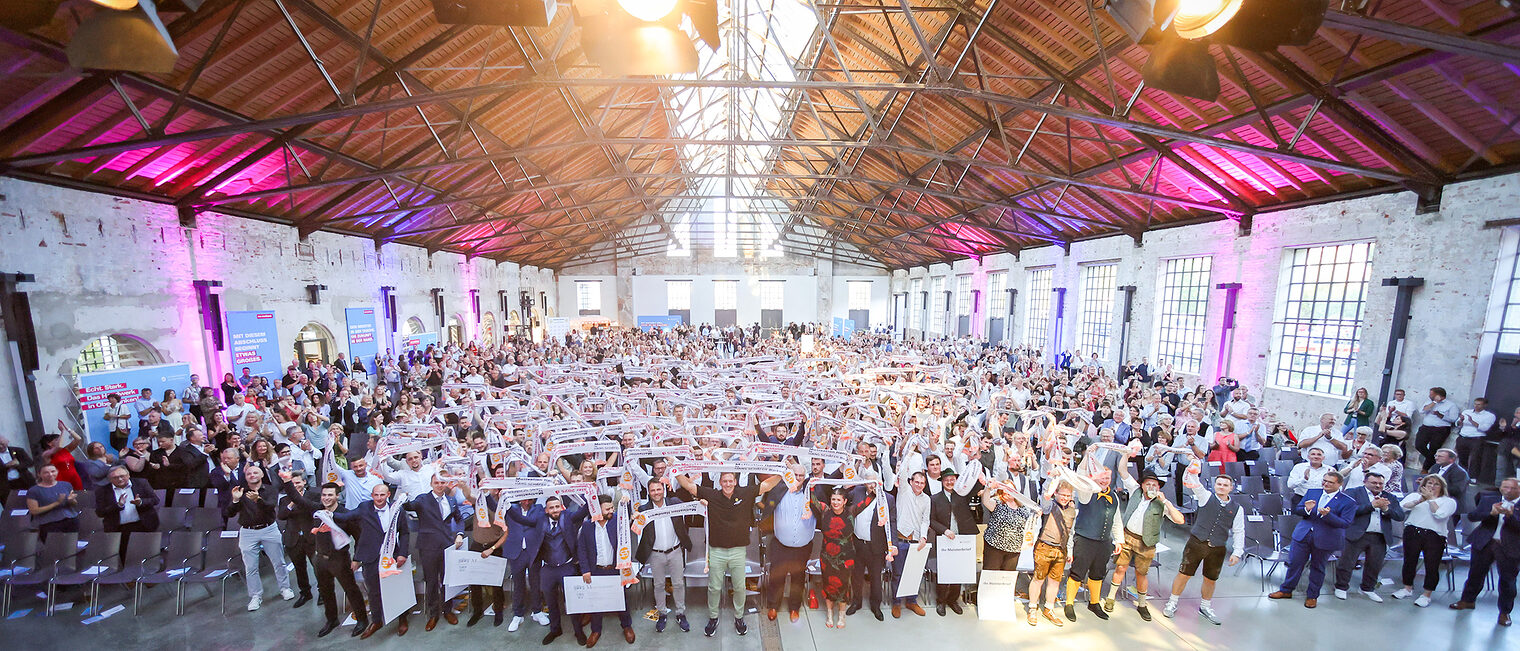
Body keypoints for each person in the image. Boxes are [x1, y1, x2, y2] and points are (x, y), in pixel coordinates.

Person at [674, 468, 783, 637]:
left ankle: (739, 617)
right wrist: (675, 470)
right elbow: (689, 486)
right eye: (724, 481)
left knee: (739, 587)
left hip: (738, 551)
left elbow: (767, 485)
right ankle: (713, 617)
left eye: (730, 481)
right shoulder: (711, 495)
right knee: (714, 588)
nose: (728, 484)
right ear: (720, 482)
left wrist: (782, 473)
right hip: (716, 551)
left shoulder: (745, 493)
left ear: (735, 481)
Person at [281, 478, 368, 637]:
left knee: (351, 590)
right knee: (326, 591)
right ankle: (331, 620)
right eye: (324, 495)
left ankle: (362, 619)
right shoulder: (317, 510)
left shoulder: (346, 514)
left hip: (340, 560)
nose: (326, 498)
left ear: (337, 496)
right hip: (320, 559)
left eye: (330, 495)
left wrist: (357, 559)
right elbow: (298, 499)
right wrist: (287, 481)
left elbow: (360, 538)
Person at [1164, 475, 1245, 624]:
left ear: (1231, 488)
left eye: (1225, 485)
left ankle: (1205, 606)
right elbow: (1194, 482)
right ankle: (1172, 602)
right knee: (1184, 574)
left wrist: (1237, 552)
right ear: (1214, 485)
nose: (1221, 487)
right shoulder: (1205, 496)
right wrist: (1194, 466)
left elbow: (1239, 531)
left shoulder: (1237, 509)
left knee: (1210, 579)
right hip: (1196, 543)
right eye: (1219, 484)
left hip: (1217, 547)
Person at [1270, 471, 1356, 608]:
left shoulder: (1348, 502)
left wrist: (1328, 515)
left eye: (1330, 482)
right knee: (1294, 563)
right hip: (1303, 534)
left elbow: (1345, 523)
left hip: (1325, 538)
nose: (1326, 484)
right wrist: (1307, 509)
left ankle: (1312, 596)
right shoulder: (1313, 492)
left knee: (1318, 567)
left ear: (1340, 484)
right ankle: (1286, 590)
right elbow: (1298, 510)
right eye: (1324, 480)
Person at [335, 482, 411, 639]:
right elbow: (346, 517)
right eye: (376, 495)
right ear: (372, 496)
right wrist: (328, 514)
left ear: (388, 495)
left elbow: (404, 533)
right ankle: (376, 621)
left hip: (392, 556)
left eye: (382, 495)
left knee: (397, 589)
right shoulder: (364, 508)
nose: (379, 498)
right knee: (373, 592)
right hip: (370, 557)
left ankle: (402, 619)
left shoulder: (397, 509)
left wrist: (402, 553)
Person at [1105, 471, 1183, 620]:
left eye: (1154, 485)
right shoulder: (1135, 492)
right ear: (1142, 485)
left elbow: (1180, 520)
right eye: (1148, 484)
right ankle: (1110, 598)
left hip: (1146, 543)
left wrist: (1166, 501)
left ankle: (1142, 604)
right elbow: (1122, 470)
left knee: (1141, 573)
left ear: (1158, 488)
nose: (1151, 487)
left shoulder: (1162, 503)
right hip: (1127, 537)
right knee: (1120, 567)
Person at [404, 474, 474, 631]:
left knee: (447, 580)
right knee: (431, 581)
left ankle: (447, 610)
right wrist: (404, 498)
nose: (439, 485)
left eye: (442, 482)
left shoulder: (451, 500)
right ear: (431, 484)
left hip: (447, 545)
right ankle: (433, 614)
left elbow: (459, 519)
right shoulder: (422, 499)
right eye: (436, 482)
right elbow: (409, 506)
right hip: (428, 547)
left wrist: (460, 534)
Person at [518, 495, 589, 646]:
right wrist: (504, 502)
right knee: (551, 603)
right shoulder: (540, 520)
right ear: (546, 510)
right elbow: (520, 519)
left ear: (562, 507)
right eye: (551, 507)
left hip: (567, 567)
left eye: (557, 506)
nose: (555, 510)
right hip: (548, 569)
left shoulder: (568, 517)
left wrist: (592, 493)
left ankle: (578, 631)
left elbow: (584, 511)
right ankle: (555, 629)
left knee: (572, 602)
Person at [1449, 477, 1520, 626]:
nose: (1507, 491)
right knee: (1475, 573)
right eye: (1504, 487)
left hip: (1510, 547)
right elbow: (1472, 516)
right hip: (1485, 541)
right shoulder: (1490, 498)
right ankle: (1467, 600)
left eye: (1512, 488)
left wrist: (1511, 516)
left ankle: (1504, 612)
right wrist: (1491, 513)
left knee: (1507, 581)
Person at [224, 464, 295, 611]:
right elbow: (229, 513)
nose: (252, 475)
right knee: (250, 567)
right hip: (248, 532)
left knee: (279, 562)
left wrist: (258, 500)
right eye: (249, 474)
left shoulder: (270, 489)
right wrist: (235, 501)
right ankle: (255, 596)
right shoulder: (240, 491)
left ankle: (285, 588)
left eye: (255, 473)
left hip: (269, 529)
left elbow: (271, 506)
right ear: (246, 477)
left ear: (262, 475)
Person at [1332, 472, 1405, 602]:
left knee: (1374, 565)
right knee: (1347, 562)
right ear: (1365, 482)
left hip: (1379, 536)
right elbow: (1347, 510)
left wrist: (1386, 509)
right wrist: (1371, 506)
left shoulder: (1390, 497)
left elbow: (1400, 516)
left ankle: (1367, 588)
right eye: (1374, 483)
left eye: (1380, 483)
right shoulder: (1353, 492)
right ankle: (1341, 587)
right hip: (1356, 534)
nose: (1378, 485)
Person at [1063, 466, 1123, 623]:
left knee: (1098, 573)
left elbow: (1117, 519)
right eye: (1101, 477)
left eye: (1107, 477)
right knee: (1077, 572)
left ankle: (1094, 603)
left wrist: (1119, 539)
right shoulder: (1087, 492)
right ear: (1095, 477)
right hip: (1084, 539)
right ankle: (1069, 603)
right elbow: (1081, 475)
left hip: (1103, 542)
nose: (1104, 480)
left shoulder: (1114, 496)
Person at [576, 494, 636, 647]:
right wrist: (585, 570)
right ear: (597, 510)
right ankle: (596, 630)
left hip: (615, 569)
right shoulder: (587, 526)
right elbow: (582, 549)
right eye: (607, 509)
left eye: (612, 508)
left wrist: (627, 503)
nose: (611, 511)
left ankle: (627, 626)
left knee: (621, 599)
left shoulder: (617, 520)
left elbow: (628, 517)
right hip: (596, 570)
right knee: (596, 602)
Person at [635, 477, 691, 633]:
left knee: (678, 584)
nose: (656, 493)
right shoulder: (643, 509)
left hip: (675, 551)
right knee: (658, 585)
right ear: (648, 492)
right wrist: (633, 518)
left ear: (663, 490)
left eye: (658, 489)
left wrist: (702, 503)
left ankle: (680, 613)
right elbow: (635, 528)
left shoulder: (675, 503)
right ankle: (662, 614)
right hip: (656, 554)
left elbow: (692, 508)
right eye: (652, 490)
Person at [1393, 474, 1458, 608]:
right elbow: (1402, 508)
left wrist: (1430, 499)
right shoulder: (1414, 496)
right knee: (1409, 561)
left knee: (1432, 565)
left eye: (1436, 484)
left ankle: (1426, 594)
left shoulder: (1448, 502)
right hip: (1413, 531)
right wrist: (1419, 500)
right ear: (1423, 485)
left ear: (1442, 487)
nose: (1432, 486)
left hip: (1434, 535)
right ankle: (1407, 588)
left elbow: (1439, 514)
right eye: (1429, 483)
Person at [762, 460, 815, 623]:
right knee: (777, 576)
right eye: (795, 475)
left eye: (801, 476)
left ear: (805, 477)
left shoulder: (812, 494)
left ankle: (794, 608)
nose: (798, 478)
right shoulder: (779, 492)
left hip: (803, 547)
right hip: (781, 545)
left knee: (798, 578)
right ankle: (773, 606)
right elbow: (767, 502)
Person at [1029, 479, 1081, 627]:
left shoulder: (1072, 510)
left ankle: (1049, 609)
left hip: (1061, 550)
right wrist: (1052, 478)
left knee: (1055, 581)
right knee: (1038, 579)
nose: (1065, 498)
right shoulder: (1049, 506)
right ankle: (1032, 608)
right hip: (1044, 547)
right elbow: (1045, 496)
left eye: (1068, 495)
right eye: (1062, 494)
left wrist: (1069, 550)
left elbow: (1071, 532)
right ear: (1056, 493)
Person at [848, 470, 894, 621]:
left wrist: (892, 545)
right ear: (864, 483)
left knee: (875, 577)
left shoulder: (888, 499)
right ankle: (856, 602)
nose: (872, 485)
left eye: (874, 482)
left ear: (879, 482)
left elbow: (892, 523)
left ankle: (876, 606)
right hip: (858, 543)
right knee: (856, 576)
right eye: (868, 482)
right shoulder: (857, 492)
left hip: (876, 546)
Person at [812, 486, 859, 629]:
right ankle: (829, 613)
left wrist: (876, 488)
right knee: (828, 584)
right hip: (827, 557)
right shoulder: (825, 510)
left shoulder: (851, 511)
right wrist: (811, 485)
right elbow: (811, 499)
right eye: (833, 499)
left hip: (846, 557)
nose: (835, 502)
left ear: (845, 501)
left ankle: (841, 615)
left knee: (844, 585)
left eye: (839, 500)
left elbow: (868, 501)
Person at [502, 497, 549, 632]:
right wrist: (487, 494)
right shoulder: (510, 508)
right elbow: (494, 507)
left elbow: (533, 522)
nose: (526, 503)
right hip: (516, 553)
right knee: (518, 584)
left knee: (535, 583)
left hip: (533, 552)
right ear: (519, 499)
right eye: (524, 500)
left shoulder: (539, 509)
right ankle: (518, 614)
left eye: (529, 500)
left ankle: (537, 611)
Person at [95, 464, 161, 559]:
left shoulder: (141, 483)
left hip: (142, 525)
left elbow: (155, 500)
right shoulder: (103, 490)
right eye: (115, 477)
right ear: (110, 479)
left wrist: (141, 502)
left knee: (145, 555)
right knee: (125, 558)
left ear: (128, 475)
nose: (120, 479)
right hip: (118, 529)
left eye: (122, 476)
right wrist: (118, 505)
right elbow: (100, 512)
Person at [276, 470, 319, 609]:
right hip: (293, 538)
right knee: (299, 568)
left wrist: (300, 500)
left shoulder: (314, 495)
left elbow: (315, 511)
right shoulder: (284, 500)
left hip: (311, 537)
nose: (295, 486)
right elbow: (281, 516)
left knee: (317, 566)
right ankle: (305, 593)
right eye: (292, 483)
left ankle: (323, 592)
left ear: (304, 482)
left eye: (298, 482)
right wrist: (291, 504)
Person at [26, 464, 80, 541]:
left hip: (70, 520)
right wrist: (56, 503)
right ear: (39, 474)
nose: (50, 474)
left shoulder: (66, 485)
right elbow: (34, 511)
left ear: (57, 471)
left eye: (53, 471)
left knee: (71, 545)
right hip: (49, 524)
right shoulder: (34, 490)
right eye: (46, 472)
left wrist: (70, 500)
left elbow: (74, 504)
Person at [1415, 387, 1459, 473]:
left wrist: (1441, 415)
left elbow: (1453, 419)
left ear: (1439, 395)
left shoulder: (1451, 405)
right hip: (1426, 427)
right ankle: (1435, 460)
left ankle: (1425, 469)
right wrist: (1434, 402)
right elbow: (1422, 411)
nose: (1430, 396)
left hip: (1441, 429)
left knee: (1434, 448)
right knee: (1419, 445)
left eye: (1432, 394)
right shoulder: (1429, 402)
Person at [1456, 398, 1496, 483]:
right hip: (1463, 437)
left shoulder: (1489, 416)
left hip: (1476, 439)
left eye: (1479, 404)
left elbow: (1484, 428)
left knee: (1475, 459)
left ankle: (1473, 478)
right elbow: (1458, 425)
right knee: (1462, 457)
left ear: (1485, 405)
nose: (1476, 406)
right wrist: (1461, 420)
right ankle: (1461, 476)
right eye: (1475, 404)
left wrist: (1471, 421)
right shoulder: (1467, 412)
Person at [0, 433, 36, 507]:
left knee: (31, 502)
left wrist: (18, 464)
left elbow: (30, 462)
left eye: (2, 444)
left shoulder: (17, 450)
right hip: (6, 485)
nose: (0, 446)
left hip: (24, 481)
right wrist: (6, 466)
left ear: (7, 441)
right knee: (11, 506)